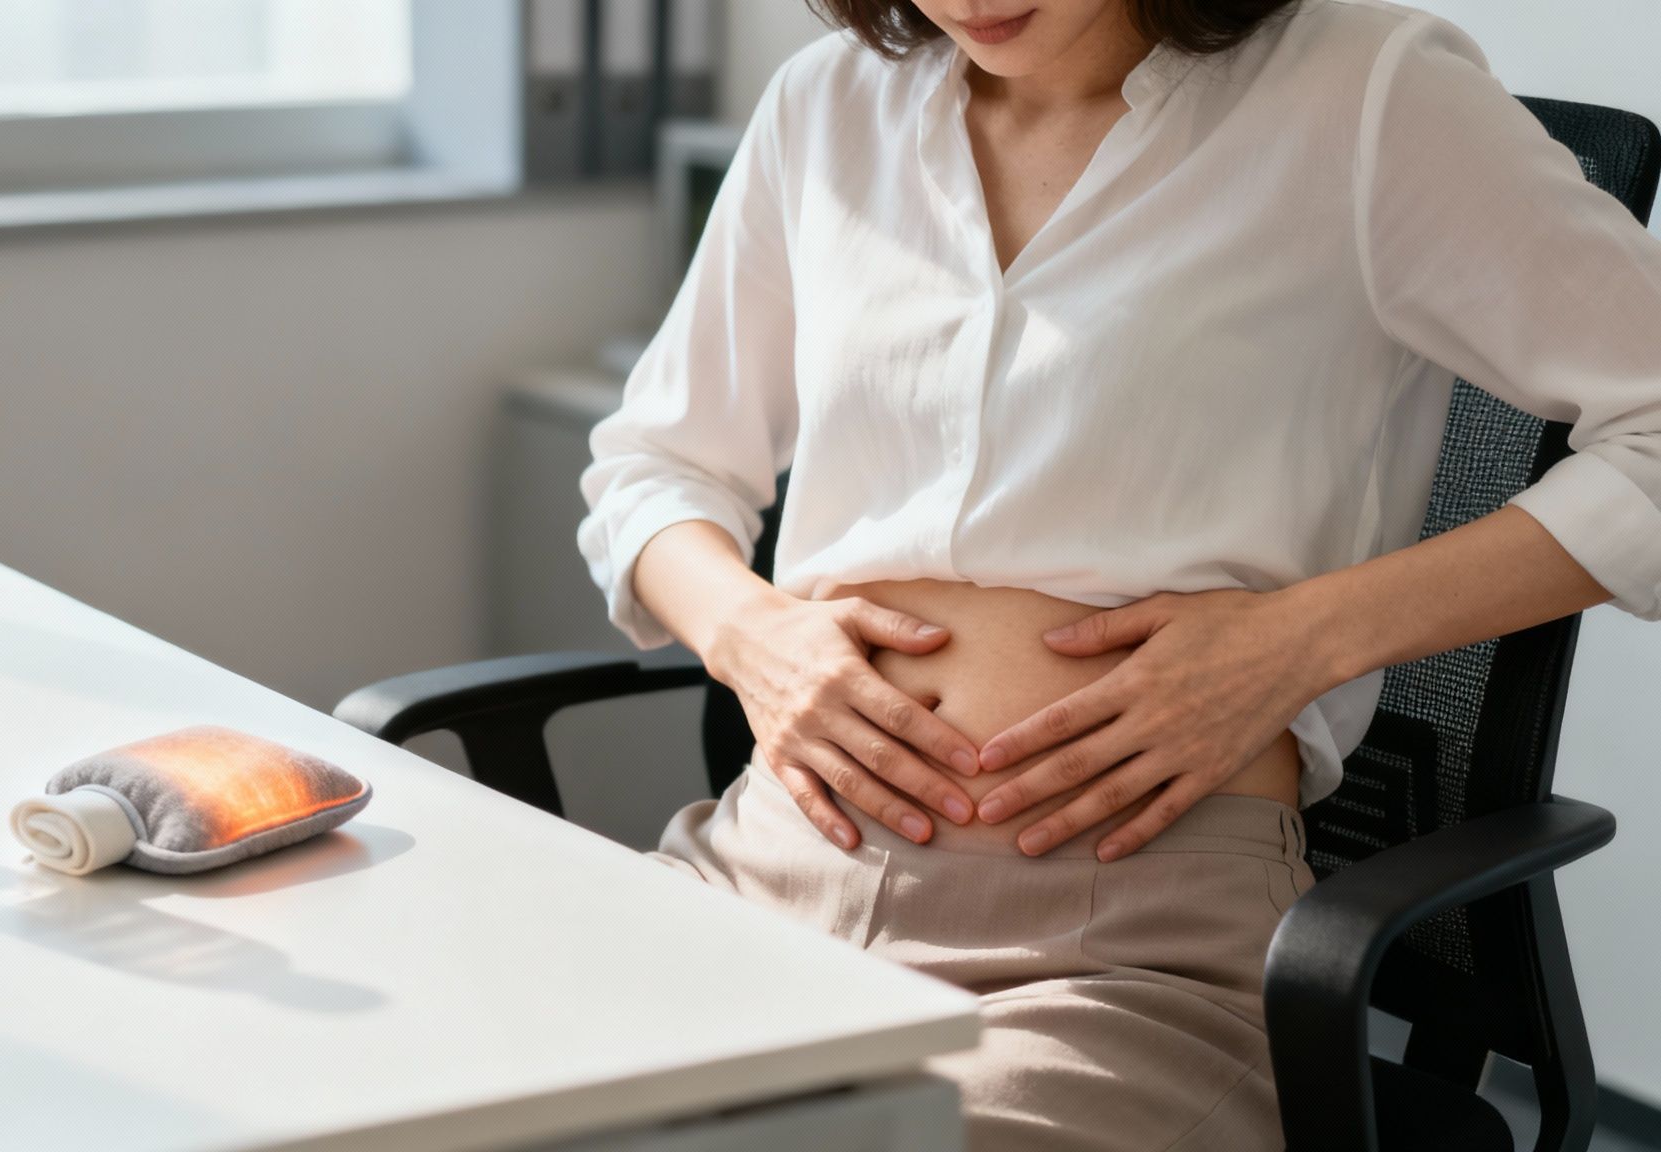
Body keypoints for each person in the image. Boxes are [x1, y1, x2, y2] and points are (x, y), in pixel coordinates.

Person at [575, 0, 1661, 1146]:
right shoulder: (825, 102)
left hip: (1120, 947)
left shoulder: (1362, 89)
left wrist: (1304, 638)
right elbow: (653, 465)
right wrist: (747, 633)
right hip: (763, 875)